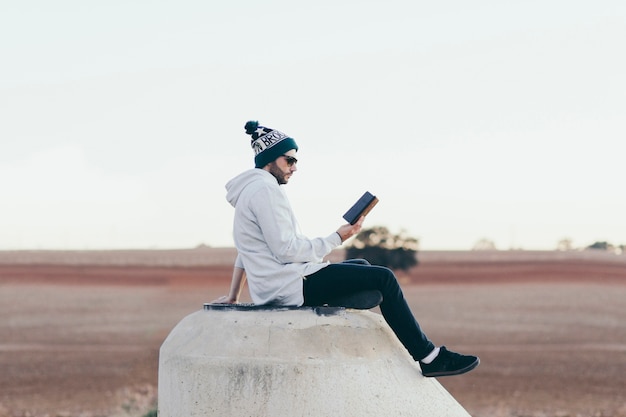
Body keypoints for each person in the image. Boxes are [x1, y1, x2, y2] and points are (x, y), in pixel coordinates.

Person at [219, 120, 479, 377]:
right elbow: (286, 250)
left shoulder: (249, 192)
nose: (295, 168)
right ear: (270, 158)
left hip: (279, 284)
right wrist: (336, 237)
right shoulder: (266, 190)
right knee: (384, 278)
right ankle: (428, 357)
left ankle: (351, 293)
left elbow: (247, 249)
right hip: (289, 285)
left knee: (362, 268)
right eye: (290, 160)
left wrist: (233, 295)